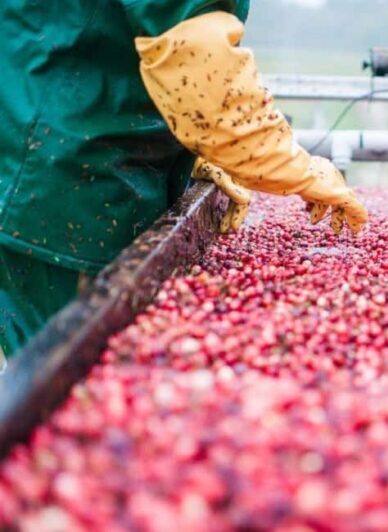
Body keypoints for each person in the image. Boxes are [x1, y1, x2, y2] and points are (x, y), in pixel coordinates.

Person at [0, 1, 367, 358]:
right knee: (74, 373)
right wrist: (290, 165)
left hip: (68, 156)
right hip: (66, 181)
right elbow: (195, 54)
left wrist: (196, 156)